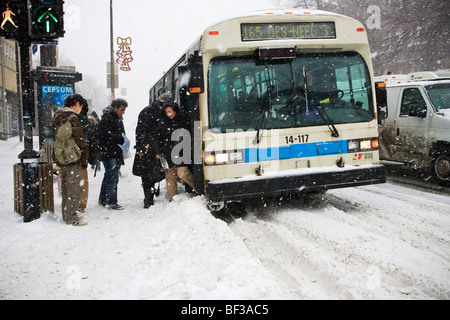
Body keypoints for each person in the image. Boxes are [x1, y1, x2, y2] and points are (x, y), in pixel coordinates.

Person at [54, 94, 89, 226]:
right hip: (73, 156)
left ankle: (67, 214)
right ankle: (71, 217)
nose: (80, 109)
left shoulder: (59, 116)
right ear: (76, 104)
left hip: (63, 156)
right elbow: (78, 138)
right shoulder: (72, 117)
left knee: (67, 188)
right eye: (80, 106)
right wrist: (84, 150)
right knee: (75, 188)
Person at [132, 93, 170, 208]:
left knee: (155, 172)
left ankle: (151, 194)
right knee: (147, 174)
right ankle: (148, 198)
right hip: (149, 149)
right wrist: (141, 148)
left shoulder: (155, 112)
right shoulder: (147, 113)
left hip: (157, 147)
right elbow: (141, 132)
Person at [159, 98, 195, 202]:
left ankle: (198, 188)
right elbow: (158, 137)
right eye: (166, 112)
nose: (168, 114)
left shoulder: (183, 120)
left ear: (175, 110)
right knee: (170, 177)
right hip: (167, 152)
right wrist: (159, 151)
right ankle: (173, 199)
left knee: (182, 172)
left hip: (181, 152)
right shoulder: (162, 122)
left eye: (170, 111)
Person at [97, 98, 128, 210]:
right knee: (113, 177)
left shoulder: (115, 118)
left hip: (111, 152)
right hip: (110, 152)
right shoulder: (108, 119)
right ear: (115, 108)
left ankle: (103, 199)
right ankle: (111, 202)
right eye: (122, 109)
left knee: (108, 176)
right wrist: (119, 139)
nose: (123, 112)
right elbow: (105, 136)